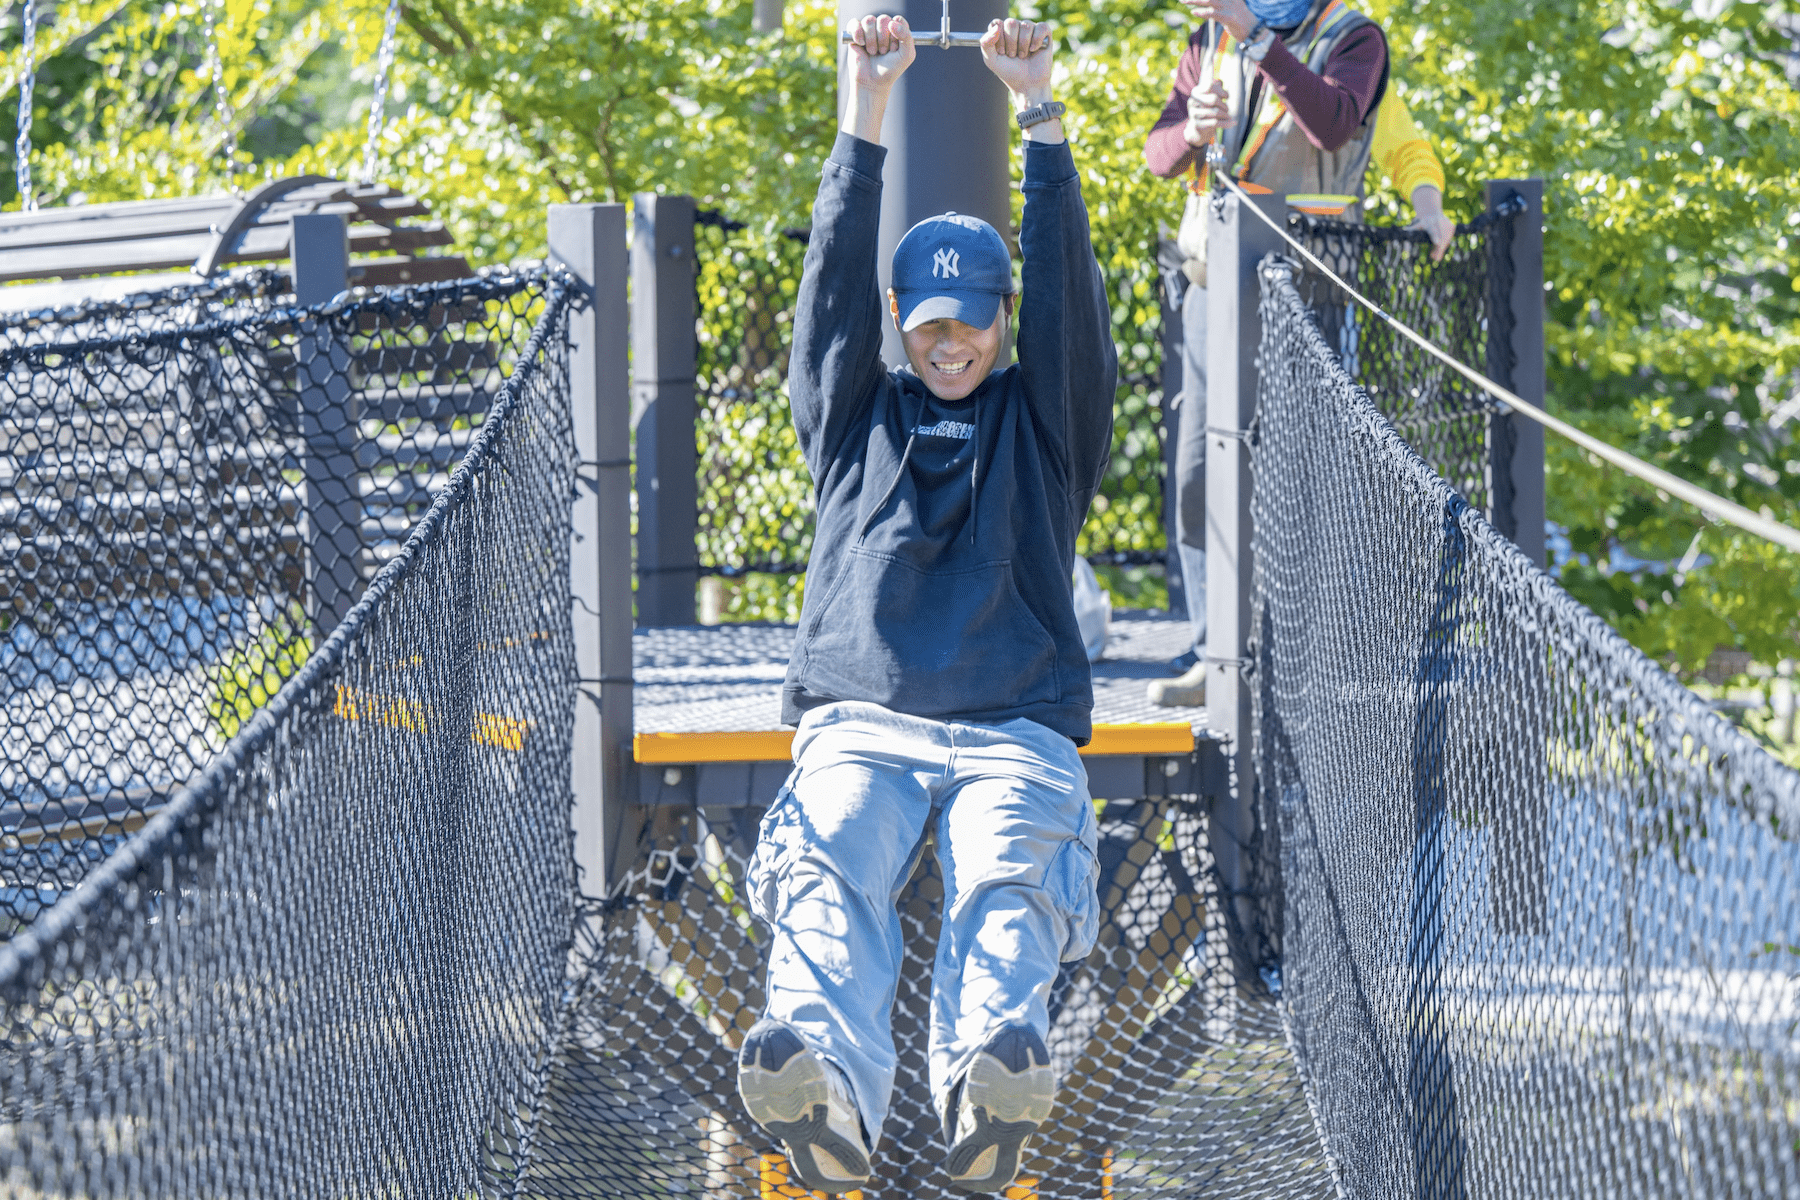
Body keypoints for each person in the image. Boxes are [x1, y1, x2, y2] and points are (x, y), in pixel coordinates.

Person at [734, 12, 1115, 1197]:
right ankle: (828, 1091)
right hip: (865, 719)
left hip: (1015, 727)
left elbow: (1070, 304)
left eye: (973, 320)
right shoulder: (855, 423)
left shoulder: (1045, 429)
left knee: (1008, 871)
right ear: (906, 327)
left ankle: (988, 1082)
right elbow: (832, 293)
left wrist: (1039, 110)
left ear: (1003, 324)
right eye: (929, 323)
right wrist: (867, 104)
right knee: (831, 849)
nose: (950, 343)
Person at [1144, 0, 1454, 707]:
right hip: (1210, 292)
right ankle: (1214, 654)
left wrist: (1429, 202)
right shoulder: (1209, 39)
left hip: (1302, 298)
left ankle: (1285, 663)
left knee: (1289, 486)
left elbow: (1349, 126)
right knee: (1196, 481)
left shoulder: (1353, 38)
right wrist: (1192, 127)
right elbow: (1160, 153)